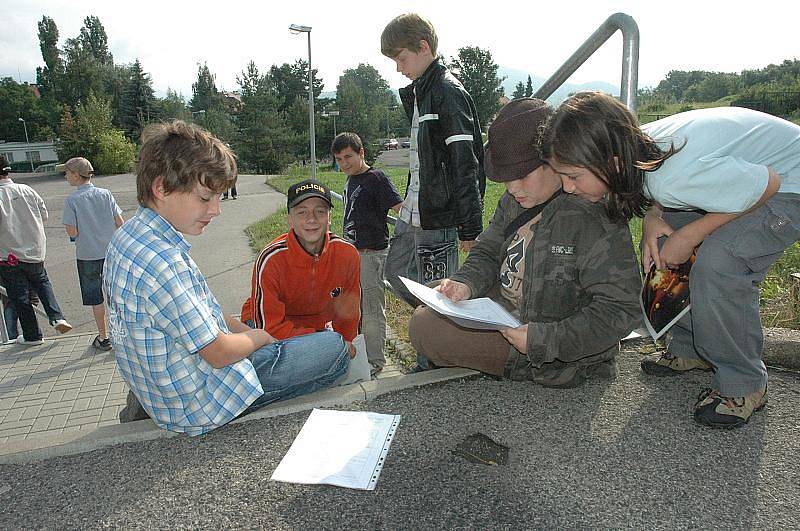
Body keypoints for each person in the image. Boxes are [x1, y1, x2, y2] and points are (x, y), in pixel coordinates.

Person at [540, 91, 800, 428]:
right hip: (751, 179)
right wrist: (653, 219)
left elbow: (768, 184)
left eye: (573, 176)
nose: (568, 187)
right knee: (666, 241)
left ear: (612, 162)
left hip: (787, 189)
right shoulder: (638, 151)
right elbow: (670, 186)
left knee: (719, 264)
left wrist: (691, 235)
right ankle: (692, 347)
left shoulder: (669, 175)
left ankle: (745, 383)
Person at [104, 122, 349, 435]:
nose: (216, 210)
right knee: (334, 349)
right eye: (206, 198)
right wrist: (259, 338)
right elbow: (219, 353)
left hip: (170, 381)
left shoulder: (132, 236)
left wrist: (249, 333)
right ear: (162, 188)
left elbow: (209, 310)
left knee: (268, 341)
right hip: (201, 401)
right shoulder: (163, 264)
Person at [408, 98, 642, 388]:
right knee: (436, 293)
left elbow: (621, 308)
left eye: (521, 176)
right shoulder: (514, 201)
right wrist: (466, 282)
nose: (512, 188)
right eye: (505, 179)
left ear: (555, 161)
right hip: (508, 311)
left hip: (549, 349)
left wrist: (543, 340)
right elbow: (489, 248)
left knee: (424, 328)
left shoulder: (590, 214)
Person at [380, 13, 485, 313]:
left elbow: (465, 163)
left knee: (438, 297)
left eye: (401, 59)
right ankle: (430, 326)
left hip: (439, 215)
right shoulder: (421, 94)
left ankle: (433, 358)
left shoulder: (447, 92)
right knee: (394, 273)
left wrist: (470, 227)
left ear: (423, 47)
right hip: (414, 212)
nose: (399, 69)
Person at [240, 179, 362, 359]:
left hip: (316, 329)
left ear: (329, 217)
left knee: (336, 363)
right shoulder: (270, 259)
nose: (311, 219)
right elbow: (268, 327)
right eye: (302, 212)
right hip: (268, 325)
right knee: (272, 363)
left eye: (320, 212)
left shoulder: (347, 254)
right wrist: (323, 342)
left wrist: (347, 347)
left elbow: (349, 313)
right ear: (290, 218)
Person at [332, 132, 403, 376]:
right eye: (339, 159)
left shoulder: (377, 178)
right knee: (354, 309)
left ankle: (375, 362)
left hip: (371, 254)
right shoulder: (350, 180)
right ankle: (361, 356)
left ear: (362, 153)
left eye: (348, 157)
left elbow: (400, 209)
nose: (344, 164)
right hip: (352, 255)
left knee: (372, 310)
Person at [0, 155, 72, 346]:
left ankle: (33, 335)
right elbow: (44, 215)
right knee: (42, 283)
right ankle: (57, 317)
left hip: (8, 255)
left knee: (19, 297)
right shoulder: (27, 190)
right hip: (34, 250)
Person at [59, 157, 124, 351]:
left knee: (96, 299)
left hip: (88, 255)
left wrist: (77, 236)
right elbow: (120, 222)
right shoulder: (105, 194)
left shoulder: (72, 200)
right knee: (116, 297)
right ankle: (121, 336)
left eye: (67, 173)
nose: (65, 176)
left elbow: (72, 230)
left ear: (77, 176)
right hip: (111, 253)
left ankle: (104, 337)